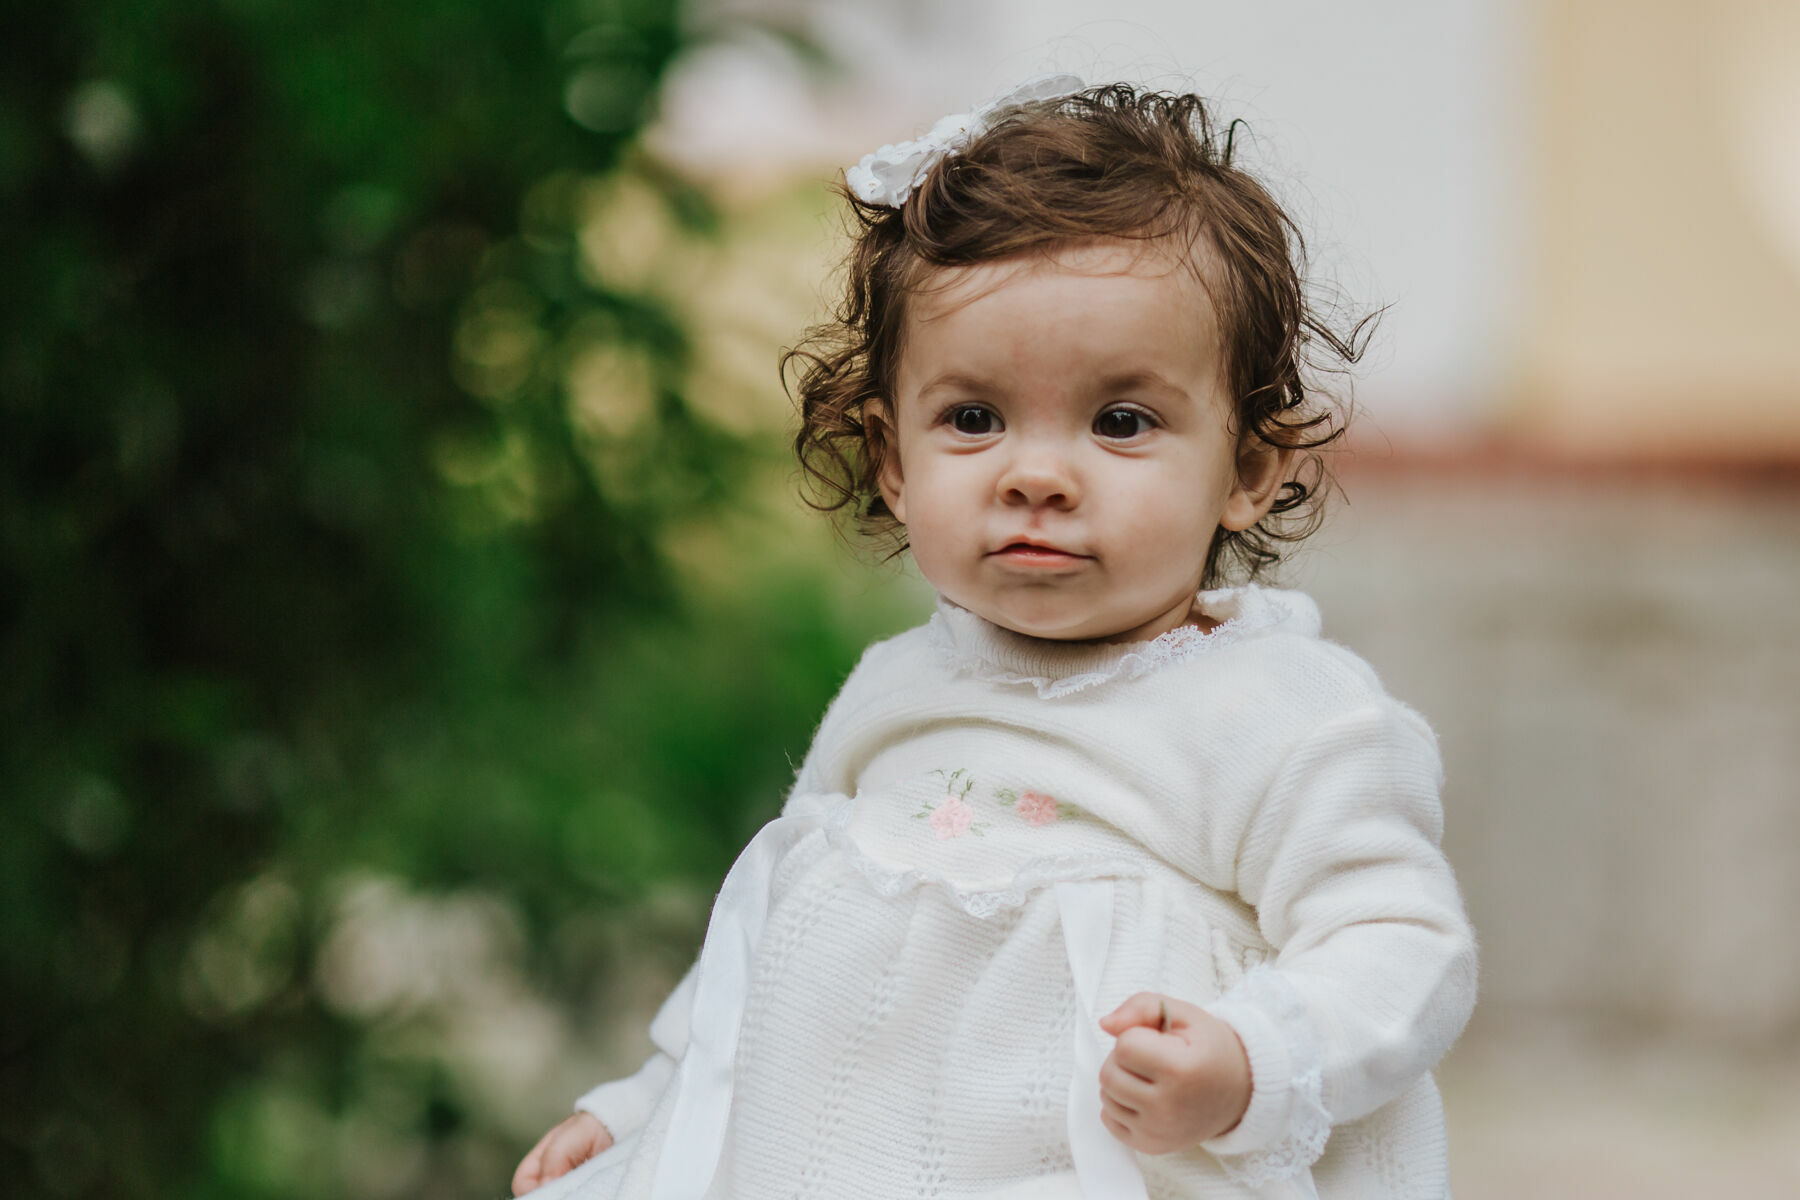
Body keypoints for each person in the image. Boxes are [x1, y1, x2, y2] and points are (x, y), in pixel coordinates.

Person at [511, 76, 1478, 1200]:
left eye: (1122, 422)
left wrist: (1252, 1058)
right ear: (891, 458)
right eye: (974, 419)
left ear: (1247, 472)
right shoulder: (898, 688)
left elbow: (1402, 946)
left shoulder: (1286, 716)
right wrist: (646, 1107)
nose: (1036, 475)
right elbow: (776, 941)